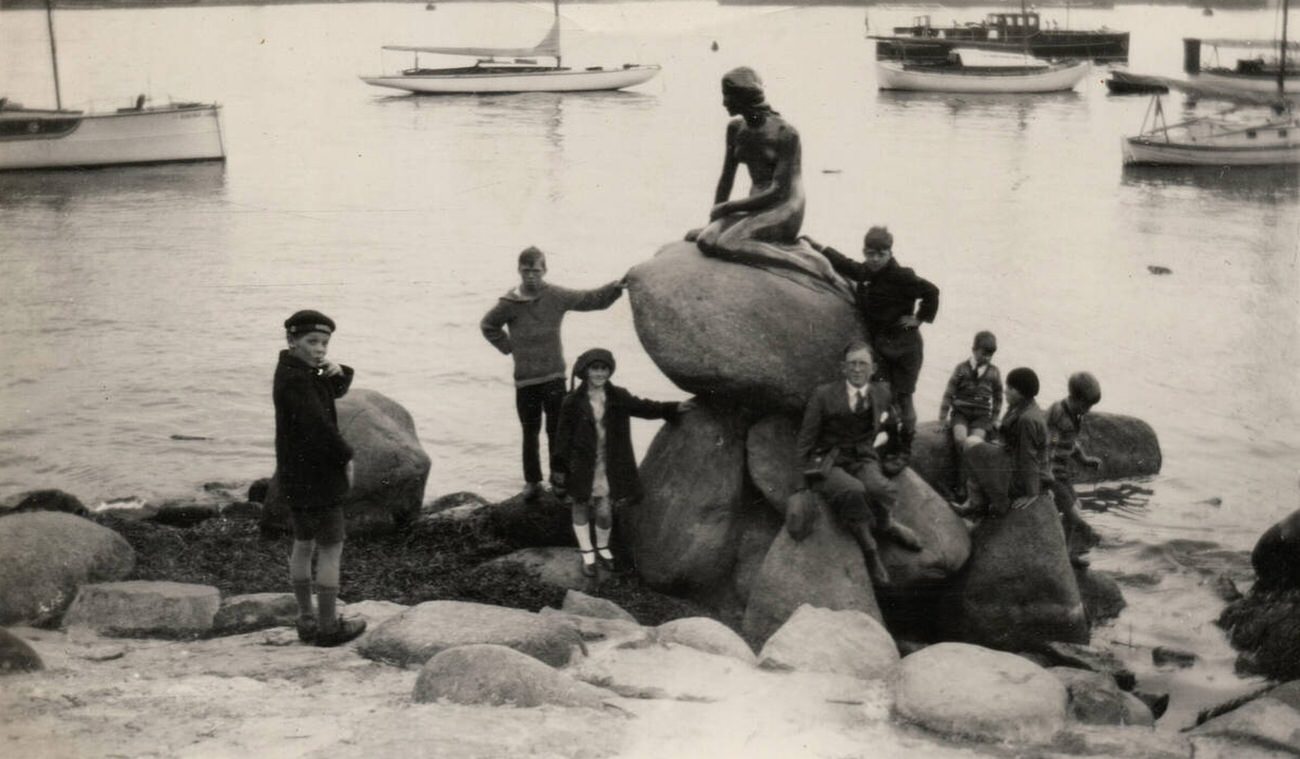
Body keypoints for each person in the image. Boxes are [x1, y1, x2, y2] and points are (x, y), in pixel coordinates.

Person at [480, 247, 624, 500]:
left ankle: (560, 481)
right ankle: (532, 482)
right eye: (526, 271)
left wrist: (616, 288)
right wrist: (508, 347)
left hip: (554, 376)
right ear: (519, 271)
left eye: (536, 271)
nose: (531, 276)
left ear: (544, 270)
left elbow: (590, 299)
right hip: (525, 380)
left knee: (558, 431)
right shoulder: (509, 303)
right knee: (530, 432)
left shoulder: (555, 295)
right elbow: (488, 325)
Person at [801, 227, 940, 463]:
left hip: (906, 348)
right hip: (882, 348)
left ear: (889, 253)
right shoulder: (866, 271)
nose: (874, 259)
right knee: (883, 395)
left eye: (880, 254)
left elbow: (932, 291)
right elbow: (846, 265)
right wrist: (818, 247)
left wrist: (919, 318)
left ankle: (904, 449)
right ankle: (889, 440)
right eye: (869, 253)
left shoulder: (902, 276)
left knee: (904, 397)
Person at [552, 348, 691, 577]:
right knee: (580, 506)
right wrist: (559, 469)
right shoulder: (572, 401)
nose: (599, 373)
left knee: (604, 511)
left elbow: (644, 407)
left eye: (604, 368)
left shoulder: (618, 396)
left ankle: (603, 547)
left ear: (610, 371)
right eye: (595, 368)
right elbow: (562, 438)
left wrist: (672, 408)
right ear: (586, 371)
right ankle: (587, 552)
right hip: (581, 463)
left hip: (607, 463)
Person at [795, 341, 924, 586]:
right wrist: (800, 485)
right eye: (852, 364)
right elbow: (805, 440)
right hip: (829, 460)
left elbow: (894, 423)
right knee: (853, 491)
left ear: (873, 368)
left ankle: (887, 525)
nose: (857, 369)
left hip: (863, 456)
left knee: (880, 489)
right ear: (843, 368)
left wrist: (895, 451)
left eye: (862, 364)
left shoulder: (882, 392)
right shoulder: (823, 395)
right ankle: (870, 551)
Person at [273, 310, 366, 647]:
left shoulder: (291, 371)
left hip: (295, 477)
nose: (320, 349)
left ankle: (306, 620)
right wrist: (346, 457)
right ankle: (328, 628)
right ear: (291, 340)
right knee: (330, 548)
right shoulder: (299, 379)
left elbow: (332, 392)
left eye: (325, 343)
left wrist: (339, 373)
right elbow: (320, 427)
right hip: (320, 477)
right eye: (312, 342)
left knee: (303, 544)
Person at [688, 66, 805, 263]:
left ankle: (803, 260)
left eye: (727, 95)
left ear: (743, 96)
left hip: (785, 208)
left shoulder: (786, 133)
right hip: (755, 205)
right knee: (706, 240)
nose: (724, 102)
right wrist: (713, 220)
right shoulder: (735, 128)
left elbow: (779, 191)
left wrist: (728, 207)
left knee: (729, 244)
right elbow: (726, 178)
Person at [955, 367, 1050, 519]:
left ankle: (976, 503)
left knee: (971, 445)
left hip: (1021, 477)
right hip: (1016, 463)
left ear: (1020, 392)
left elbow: (1028, 457)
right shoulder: (1024, 407)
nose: (1005, 391)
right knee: (975, 444)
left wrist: (1032, 493)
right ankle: (977, 502)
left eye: (1010, 388)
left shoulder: (1027, 420)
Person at [1047, 372, 1104, 567]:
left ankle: (1067, 553)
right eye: (1087, 406)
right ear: (1074, 398)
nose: (1088, 410)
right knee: (1074, 515)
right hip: (1052, 475)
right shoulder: (1058, 414)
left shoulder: (1075, 415)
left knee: (1076, 508)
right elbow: (1051, 443)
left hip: (1062, 474)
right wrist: (1046, 477)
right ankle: (1069, 549)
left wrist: (1085, 460)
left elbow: (1071, 443)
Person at [938, 331, 1003, 500]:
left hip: (981, 416)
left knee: (973, 445)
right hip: (961, 413)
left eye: (991, 354)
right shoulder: (961, 369)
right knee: (960, 439)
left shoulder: (994, 372)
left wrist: (995, 418)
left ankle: (965, 486)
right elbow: (949, 392)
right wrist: (942, 417)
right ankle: (959, 484)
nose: (987, 358)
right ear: (974, 349)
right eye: (984, 353)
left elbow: (998, 397)